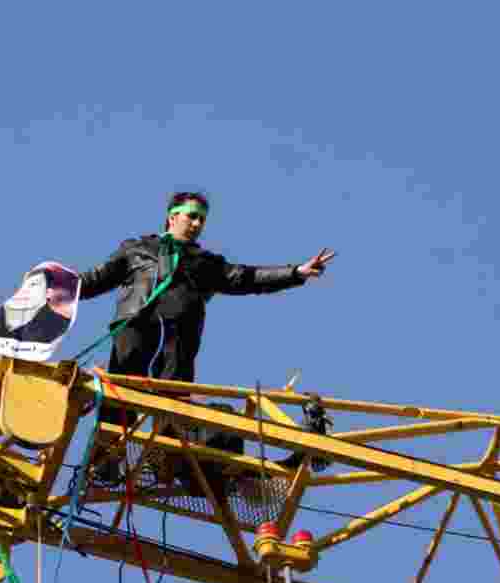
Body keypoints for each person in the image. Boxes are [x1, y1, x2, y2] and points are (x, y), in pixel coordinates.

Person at [79, 191, 335, 483]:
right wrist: (52, 285)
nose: (198, 223)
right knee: (121, 387)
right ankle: (106, 459)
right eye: (192, 216)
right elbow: (95, 279)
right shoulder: (137, 249)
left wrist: (295, 273)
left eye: (202, 219)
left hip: (180, 334)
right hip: (136, 324)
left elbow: (246, 278)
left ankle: (164, 455)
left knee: (173, 394)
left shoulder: (205, 263)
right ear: (173, 216)